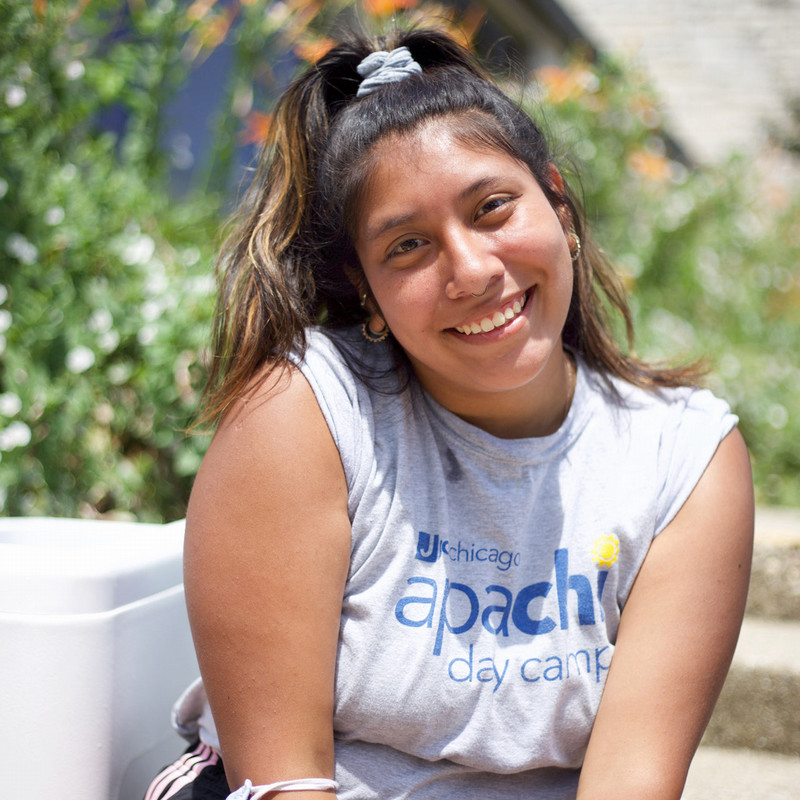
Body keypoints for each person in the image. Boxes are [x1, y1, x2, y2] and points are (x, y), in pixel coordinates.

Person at [145, 26, 754, 800]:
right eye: (407, 247)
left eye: (493, 208)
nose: (471, 271)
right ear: (362, 285)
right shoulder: (305, 414)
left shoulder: (683, 460)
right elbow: (283, 786)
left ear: (559, 205)